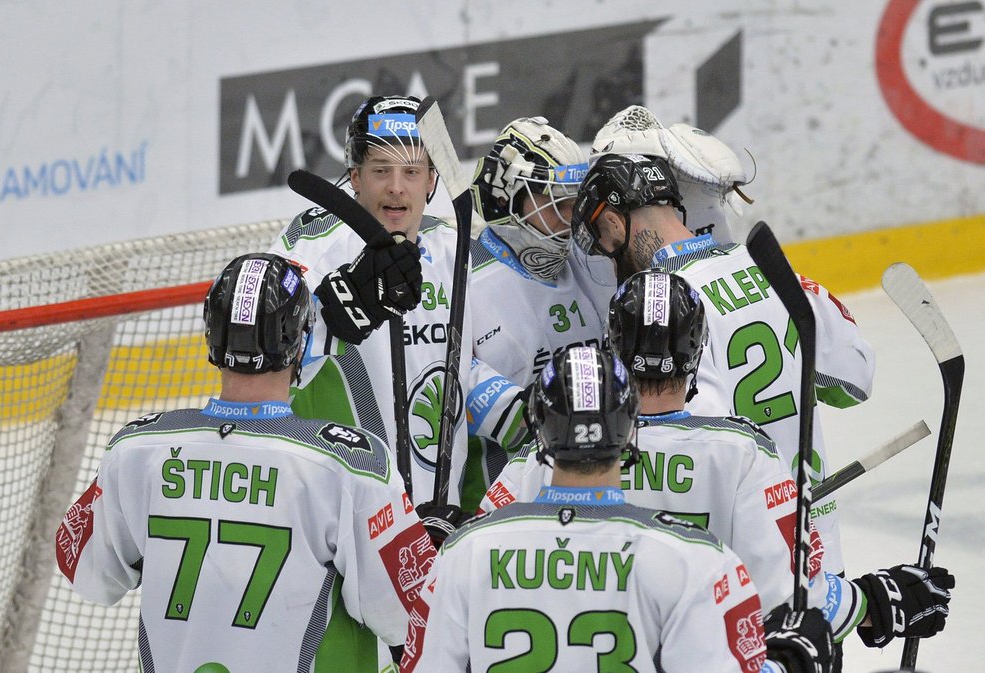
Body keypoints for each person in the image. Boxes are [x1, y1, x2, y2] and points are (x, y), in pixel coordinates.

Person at [479, 269, 955, 652]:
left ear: (614, 349)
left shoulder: (548, 458)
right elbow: (795, 594)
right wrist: (879, 600)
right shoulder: (743, 455)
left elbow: (467, 552)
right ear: (696, 353)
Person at [55, 253, 436, 673]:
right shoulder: (349, 465)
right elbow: (413, 615)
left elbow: (84, 568)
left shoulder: (136, 451)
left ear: (211, 336)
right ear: (301, 341)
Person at [402, 345, 834, 673]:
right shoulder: (698, 561)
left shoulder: (462, 554)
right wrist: (788, 664)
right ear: (631, 431)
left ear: (540, 428)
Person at [570, 143, 876, 580]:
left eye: (603, 237)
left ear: (616, 222)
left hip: (732, 573)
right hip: (819, 560)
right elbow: (857, 378)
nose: (606, 252)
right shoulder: (772, 269)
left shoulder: (651, 307)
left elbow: (685, 448)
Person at [268, 95, 523, 514]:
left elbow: (461, 366)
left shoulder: (456, 251)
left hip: (440, 511)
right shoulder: (314, 242)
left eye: (411, 171)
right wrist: (333, 310)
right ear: (355, 177)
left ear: (431, 181)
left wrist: (517, 410)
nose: (396, 187)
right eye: (380, 170)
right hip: (337, 512)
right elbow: (268, 350)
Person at [462, 116, 615, 508]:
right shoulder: (459, 282)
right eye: (555, 205)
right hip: (499, 509)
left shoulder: (590, 263)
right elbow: (511, 422)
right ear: (506, 201)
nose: (570, 221)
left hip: (593, 488)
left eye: (573, 204)